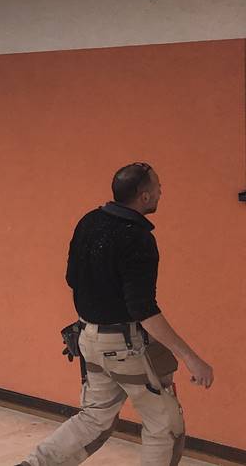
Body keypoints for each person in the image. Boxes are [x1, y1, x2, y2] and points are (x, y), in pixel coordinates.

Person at [19, 163, 214, 465]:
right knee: (165, 426)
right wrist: (191, 358)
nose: (161, 192)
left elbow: (72, 278)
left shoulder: (89, 221)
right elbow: (144, 310)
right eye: (158, 187)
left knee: (95, 417)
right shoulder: (137, 238)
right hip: (124, 347)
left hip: (88, 340)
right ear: (144, 196)